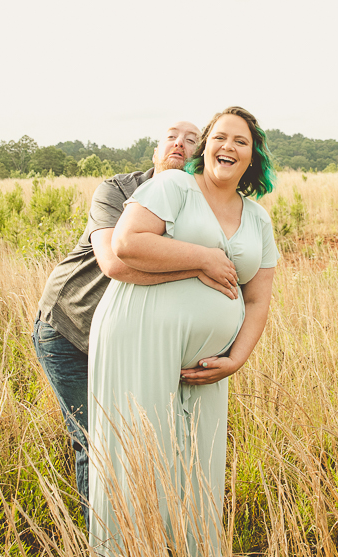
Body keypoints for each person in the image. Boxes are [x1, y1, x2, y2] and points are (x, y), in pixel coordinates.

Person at [88, 106, 278, 556]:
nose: (227, 146)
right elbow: (126, 244)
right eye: (219, 138)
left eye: (240, 142)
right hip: (139, 338)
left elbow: (257, 299)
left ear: (253, 159)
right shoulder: (173, 186)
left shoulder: (258, 219)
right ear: (206, 147)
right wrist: (202, 258)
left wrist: (237, 359)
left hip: (207, 365)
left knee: (198, 468)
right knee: (140, 458)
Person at [32, 119, 235, 527]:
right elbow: (114, 263)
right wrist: (198, 266)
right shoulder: (118, 190)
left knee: (145, 441)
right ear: (156, 148)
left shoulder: (199, 203)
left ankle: (147, 533)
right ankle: (106, 542)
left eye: (192, 140)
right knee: (98, 442)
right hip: (73, 330)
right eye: (171, 136)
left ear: (201, 155)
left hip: (131, 344)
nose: (180, 143)